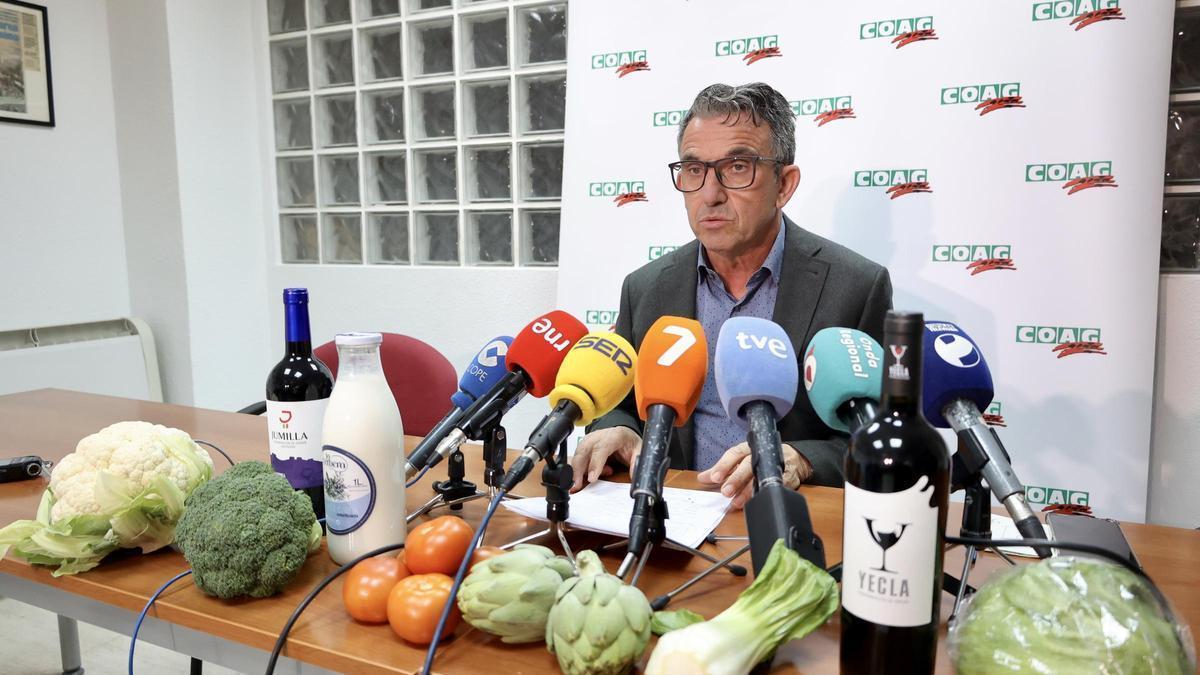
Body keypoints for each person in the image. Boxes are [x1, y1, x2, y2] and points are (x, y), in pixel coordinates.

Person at [572, 82, 893, 508]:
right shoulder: (645, 287)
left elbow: (883, 440)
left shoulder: (855, 286)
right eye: (693, 169)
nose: (710, 193)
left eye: (737, 167)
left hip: (785, 522)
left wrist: (804, 460)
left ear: (784, 184)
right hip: (668, 517)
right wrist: (618, 428)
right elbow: (624, 403)